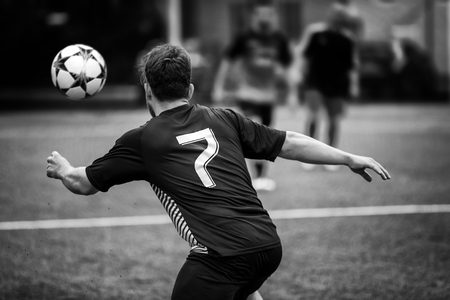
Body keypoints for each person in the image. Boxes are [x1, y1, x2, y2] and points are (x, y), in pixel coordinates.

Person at [46, 44, 390, 300]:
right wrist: (347, 157)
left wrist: (63, 170)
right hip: (267, 246)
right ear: (190, 90)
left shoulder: (142, 140)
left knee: (225, 281)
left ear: (147, 91)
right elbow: (289, 142)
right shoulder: (225, 118)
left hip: (221, 257)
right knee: (242, 288)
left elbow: (83, 184)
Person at [212, 2, 294, 191]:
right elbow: (227, 61)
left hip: (268, 95)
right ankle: (254, 176)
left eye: (268, 14)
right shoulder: (244, 38)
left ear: (272, 16)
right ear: (254, 16)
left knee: (265, 133)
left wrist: (292, 95)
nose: (264, 17)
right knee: (252, 130)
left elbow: (287, 67)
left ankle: (263, 176)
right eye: (261, 14)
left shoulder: (278, 40)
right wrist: (219, 86)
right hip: (247, 92)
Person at [294, 2, 360, 171]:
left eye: (341, 15)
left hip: (337, 85)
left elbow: (352, 65)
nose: (338, 18)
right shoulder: (316, 33)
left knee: (333, 120)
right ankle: (307, 156)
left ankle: (332, 158)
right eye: (335, 14)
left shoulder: (347, 39)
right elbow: (305, 56)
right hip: (314, 82)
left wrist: (354, 84)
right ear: (330, 15)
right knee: (313, 116)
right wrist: (299, 74)